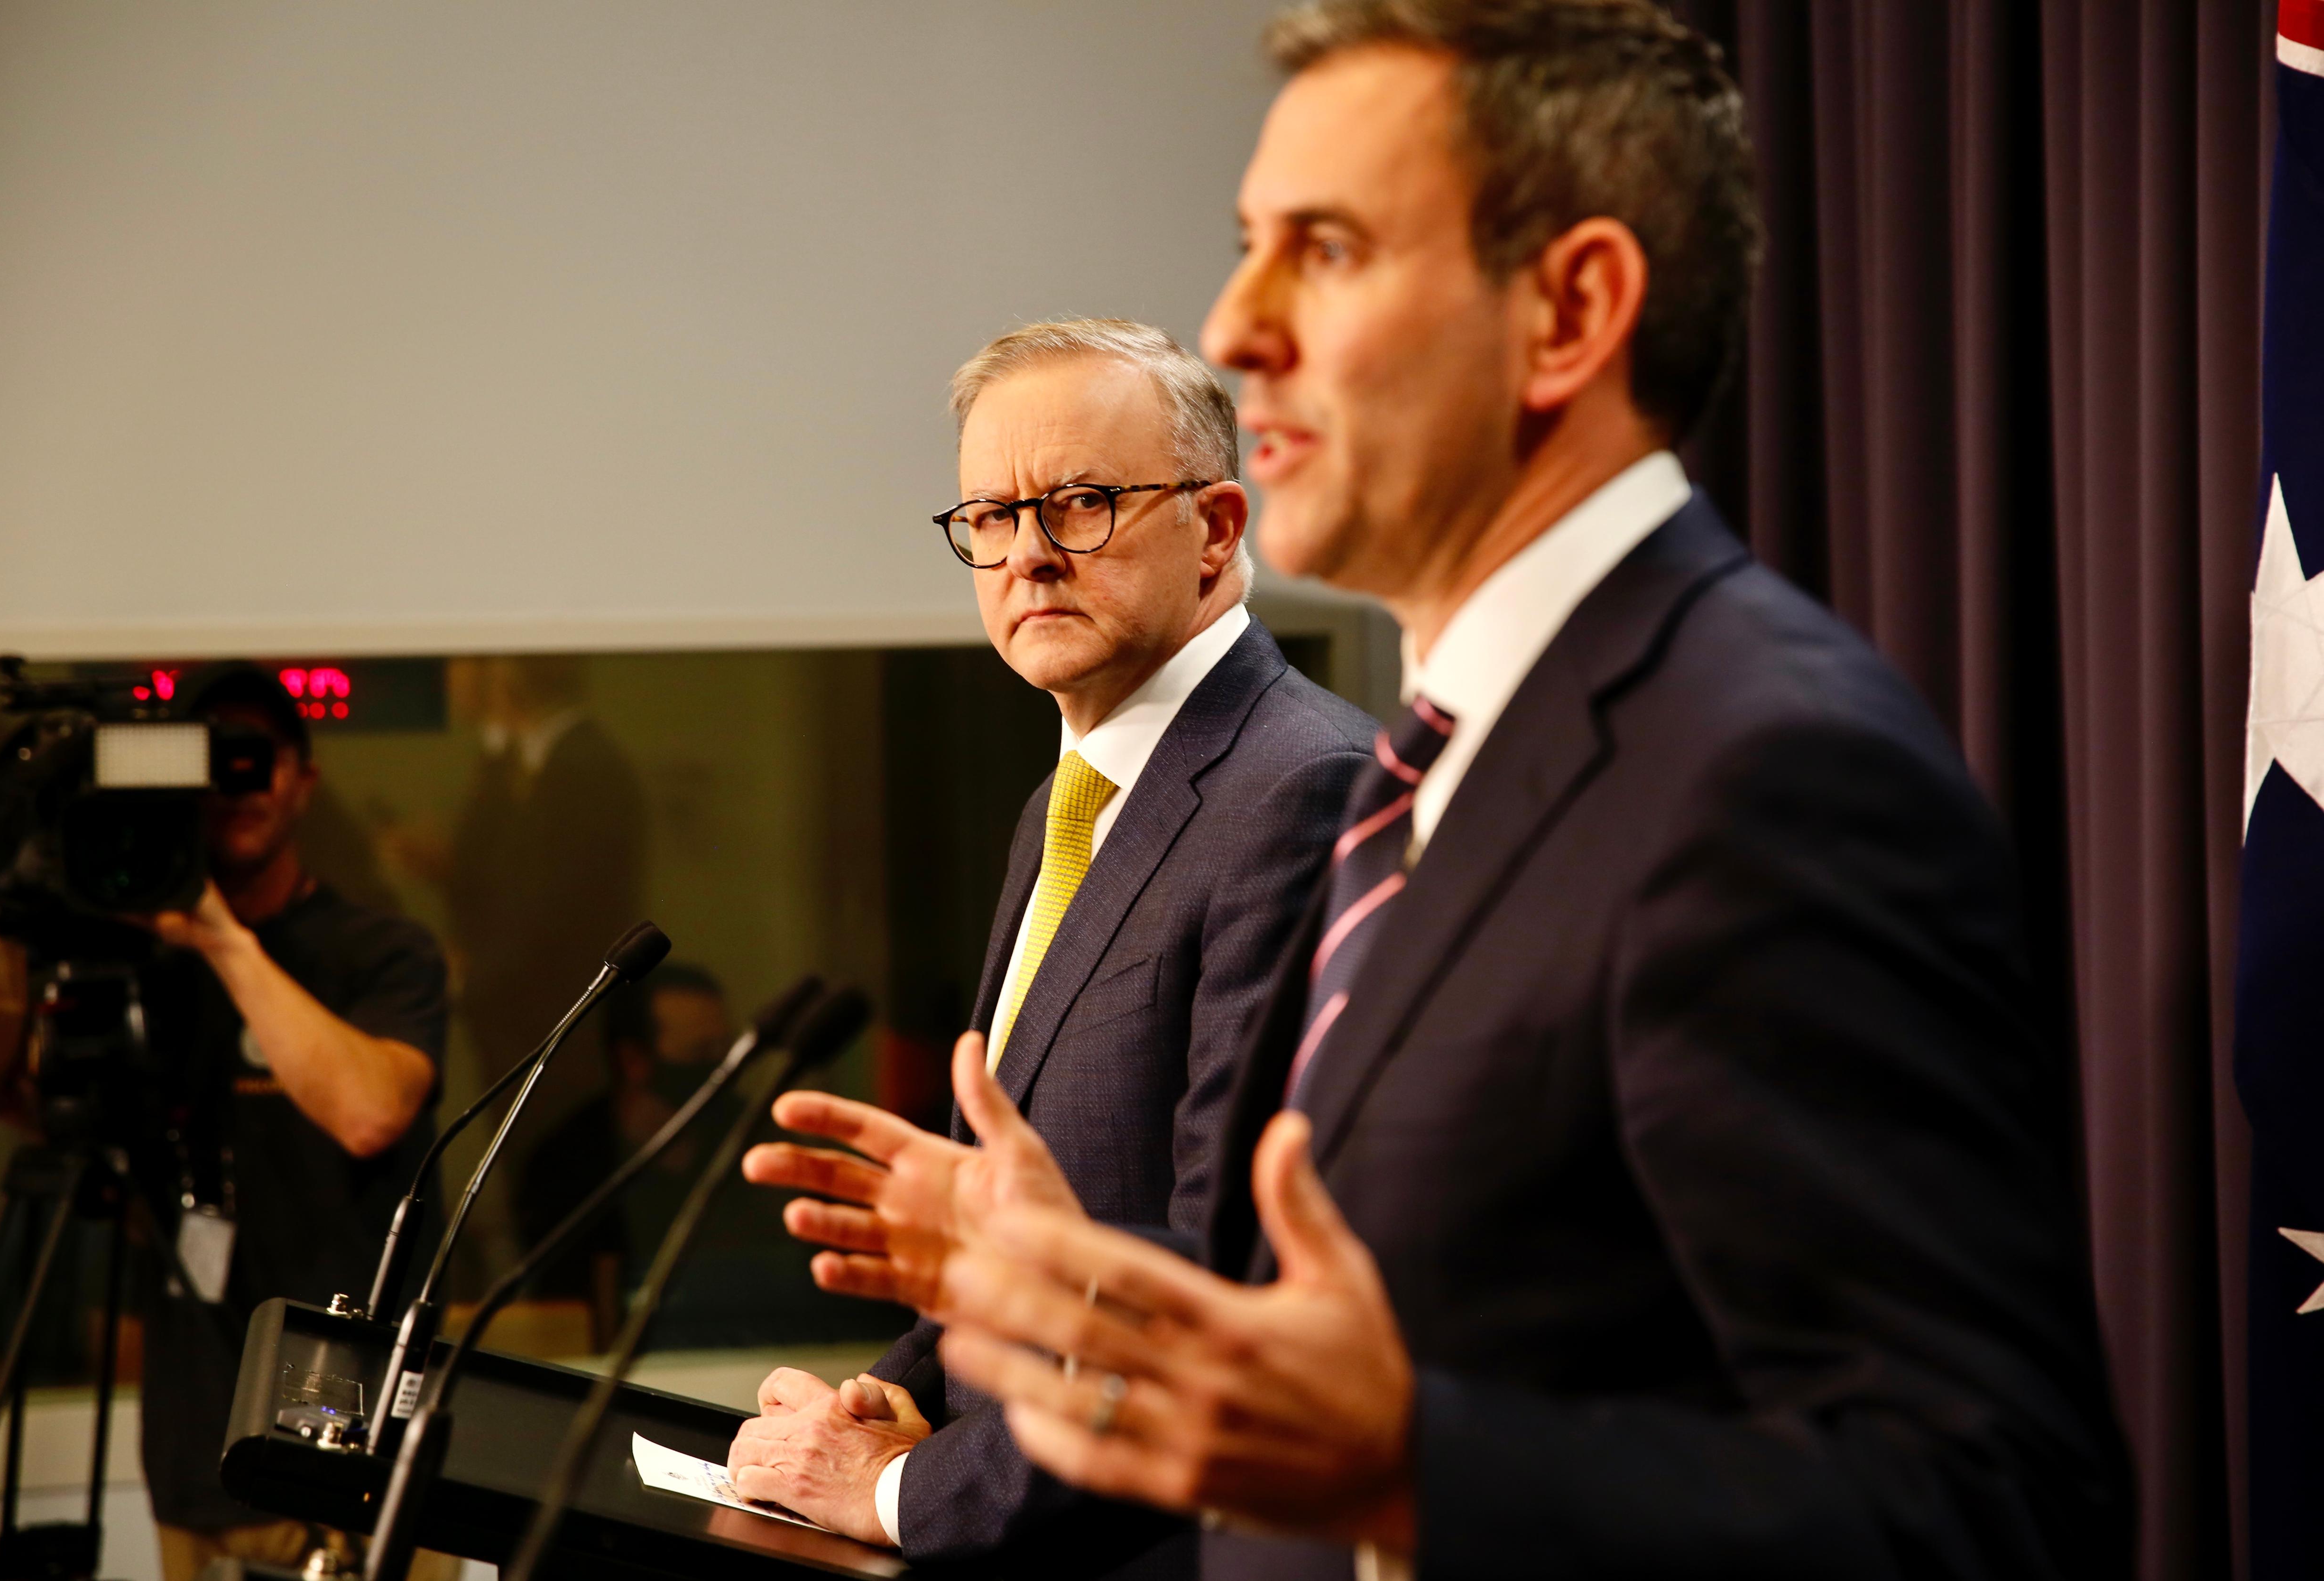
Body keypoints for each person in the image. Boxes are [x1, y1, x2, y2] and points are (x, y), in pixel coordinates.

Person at [745, 5, 2133, 1579]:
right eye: (1249, 245)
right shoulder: (1451, 761)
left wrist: (1413, 1463)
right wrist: (1071, 1300)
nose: (1240, 322)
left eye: (1324, 250)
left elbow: (1997, 1503)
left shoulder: (1765, 765)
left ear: (1570, 313)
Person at [728, 318, 1376, 1573]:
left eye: (1080, 503)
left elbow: (1226, 1291)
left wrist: (914, 1489)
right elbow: (1011, 1207)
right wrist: (892, 1390)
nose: (1026, 554)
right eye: (990, 516)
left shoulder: (1301, 787)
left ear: (1221, 529)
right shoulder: (1068, 795)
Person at [0, 664, 453, 1581]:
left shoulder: (381, 950)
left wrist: (220, 936)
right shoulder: (132, 957)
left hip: (355, 1448)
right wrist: (3, 909)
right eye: (207, 763)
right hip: (196, 1445)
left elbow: (371, 1111)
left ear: (305, 776)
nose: (234, 786)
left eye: (252, 758)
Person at [514, 961, 734, 1341]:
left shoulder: (745, 1135)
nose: (721, 1066)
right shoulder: (568, 1163)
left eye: (725, 1047)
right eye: (701, 1051)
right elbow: (567, 1313)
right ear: (634, 1060)